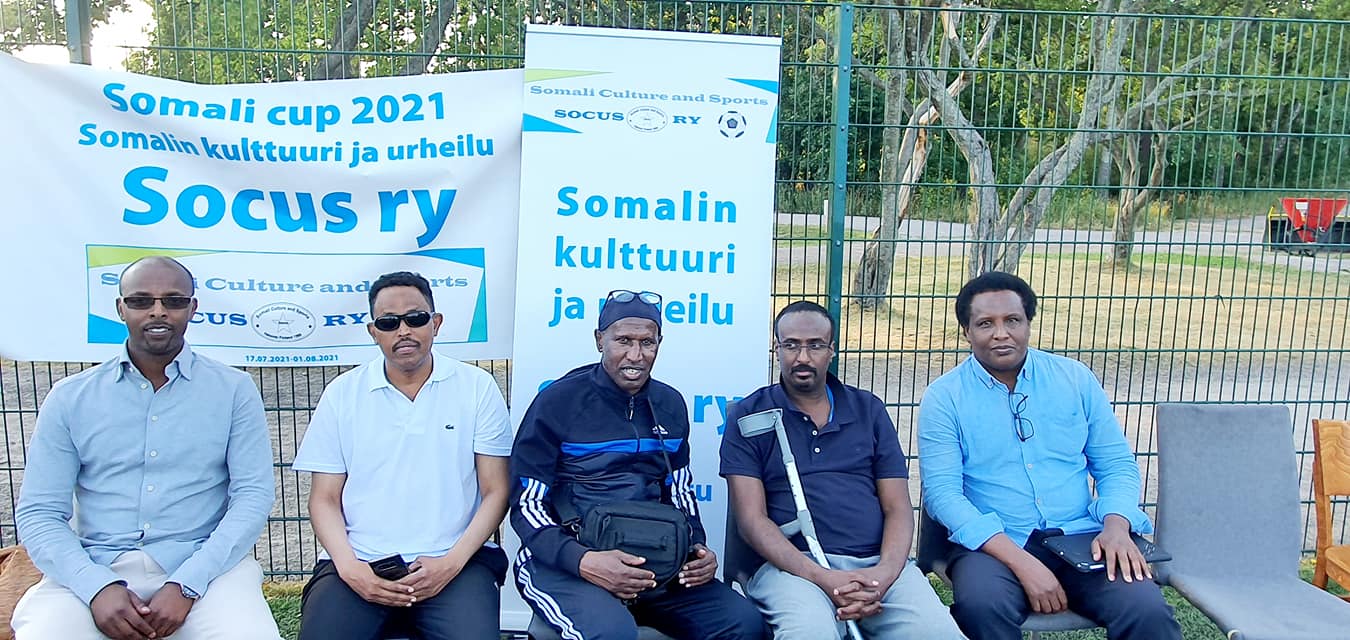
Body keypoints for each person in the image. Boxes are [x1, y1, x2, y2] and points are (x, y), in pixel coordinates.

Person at [13, 256, 281, 640]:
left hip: (207, 569)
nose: (158, 311)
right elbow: (39, 511)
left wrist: (187, 583)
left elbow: (252, 498)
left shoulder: (234, 390)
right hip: (95, 565)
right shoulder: (70, 397)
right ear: (120, 309)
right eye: (141, 301)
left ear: (192, 308)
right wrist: (95, 586)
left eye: (173, 300)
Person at [918, 271, 1182, 640]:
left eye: (1013, 320)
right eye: (985, 323)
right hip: (994, 545)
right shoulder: (944, 398)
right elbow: (943, 496)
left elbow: (1116, 465)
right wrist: (1022, 562)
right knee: (982, 606)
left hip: (1083, 535)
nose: (1001, 333)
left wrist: (1116, 527)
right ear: (967, 331)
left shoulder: (1074, 379)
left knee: (1145, 609)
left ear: (1028, 323)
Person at [510, 289, 767, 640]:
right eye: (623, 341)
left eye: (647, 342)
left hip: (655, 563)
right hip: (568, 563)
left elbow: (680, 493)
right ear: (599, 340)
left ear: (659, 343)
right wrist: (582, 561)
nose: (635, 355)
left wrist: (696, 548)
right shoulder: (557, 402)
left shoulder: (670, 404)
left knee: (744, 624)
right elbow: (526, 504)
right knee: (613, 634)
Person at [720, 301, 965, 640]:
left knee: (937, 634)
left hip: (877, 567)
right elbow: (751, 521)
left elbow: (897, 507)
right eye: (791, 345)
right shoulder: (751, 416)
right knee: (811, 633)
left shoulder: (868, 410)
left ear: (831, 350)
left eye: (815, 345)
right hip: (793, 570)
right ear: (776, 349)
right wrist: (824, 578)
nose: (802, 357)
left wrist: (884, 575)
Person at [292, 271, 512, 640]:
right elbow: (324, 499)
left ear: (436, 323)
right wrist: (350, 568)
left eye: (416, 318)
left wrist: (450, 563)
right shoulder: (342, 394)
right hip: (359, 561)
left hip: (456, 562)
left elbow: (496, 491)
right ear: (373, 331)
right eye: (389, 322)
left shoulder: (477, 387)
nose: (404, 331)